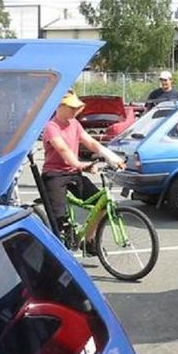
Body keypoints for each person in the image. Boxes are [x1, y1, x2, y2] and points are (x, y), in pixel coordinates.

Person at [42, 91, 125, 256]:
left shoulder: (74, 124)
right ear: (60, 106)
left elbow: (91, 142)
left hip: (74, 173)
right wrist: (80, 165)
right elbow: (63, 150)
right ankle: (55, 254)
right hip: (54, 174)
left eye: (76, 108)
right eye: (72, 107)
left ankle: (89, 241)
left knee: (101, 205)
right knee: (59, 219)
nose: (75, 111)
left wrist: (112, 157)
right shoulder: (52, 127)